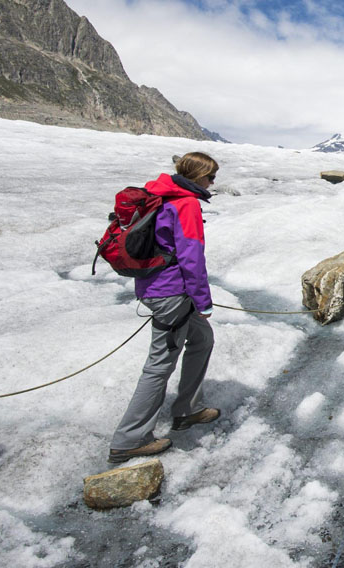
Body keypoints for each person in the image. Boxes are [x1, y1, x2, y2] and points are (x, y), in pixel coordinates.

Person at [108, 152, 222, 463]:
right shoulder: (184, 204)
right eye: (211, 177)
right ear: (198, 176)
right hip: (173, 293)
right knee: (159, 365)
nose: (213, 183)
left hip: (156, 287)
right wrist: (203, 300)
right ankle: (130, 438)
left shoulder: (160, 196)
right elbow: (191, 256)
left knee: (202, 339)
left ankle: (188, 410)